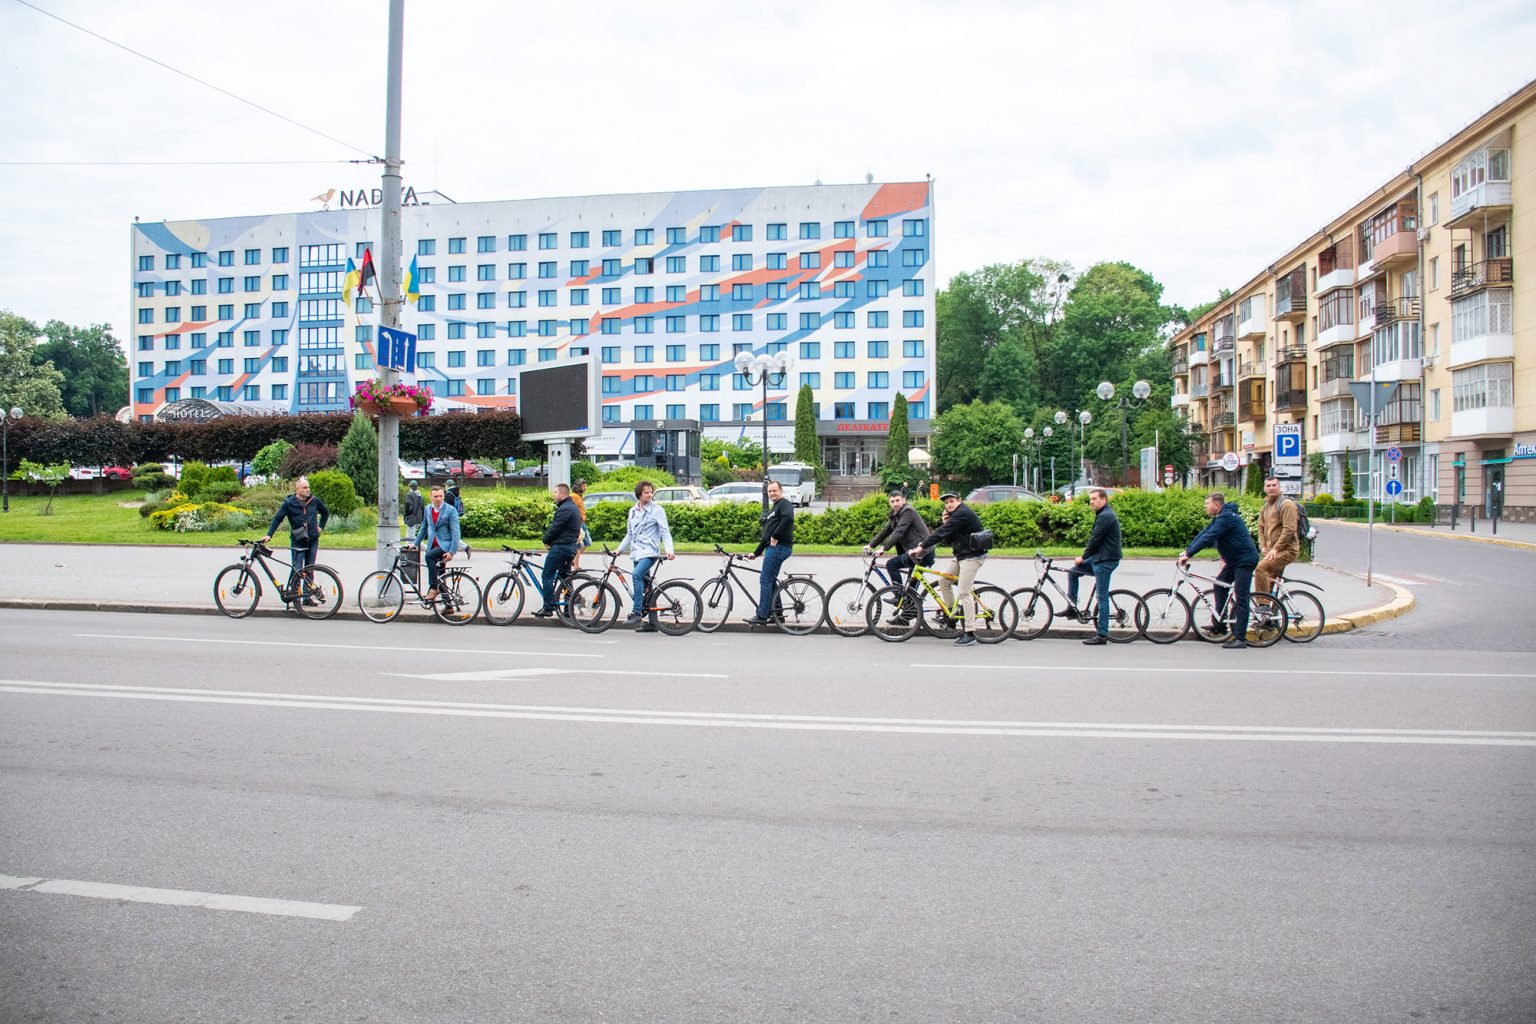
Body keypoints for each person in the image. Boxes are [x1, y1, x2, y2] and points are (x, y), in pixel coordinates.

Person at [1179, 491, 1262, 649]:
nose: (1205, 506)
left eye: (1207, 504)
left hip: (1244, 560)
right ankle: (1219, 625)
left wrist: (1189, 554)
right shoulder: (1220, 517)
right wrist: (1187, 551)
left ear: (1217, 505)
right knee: (1219, 585)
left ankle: (1240, 638)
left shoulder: (1227, 517)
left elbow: (1209, 537)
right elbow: (1204, 533)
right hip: (1234, 560)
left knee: (1241, 596)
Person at [909, 491, 986, 646]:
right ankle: (951, 616)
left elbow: (941, 533)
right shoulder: (955, 516)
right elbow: (949, 536)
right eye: (946, 503)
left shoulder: (962, 513)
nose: (949, 505)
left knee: (964, 593)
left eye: (952, 501)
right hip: (962, 556)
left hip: (972, 557)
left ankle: (970, 632)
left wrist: (922, 546)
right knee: (944, 581)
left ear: (959, 501)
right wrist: (945, 523)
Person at [258, 476, 330, 606]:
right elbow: (278, 518)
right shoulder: (289, 503)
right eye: (304, 487)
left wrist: (321, 526)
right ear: (297, 489)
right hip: (298, 540)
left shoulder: (314, 501)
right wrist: (269, 535)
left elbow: (325, 512)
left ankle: (307, 596)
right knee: (297, 568)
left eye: (308, 487)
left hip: (313, 540)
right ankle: (294, 595)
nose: (307, 490)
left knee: (310, 568)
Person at [614, 480, 675, 632]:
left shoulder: (657, 510)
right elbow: (629, 534)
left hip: (649, 552)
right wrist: (619, 549)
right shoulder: (633, 511)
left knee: (636, 575)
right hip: (636, 552)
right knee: (647, 586)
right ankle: (653, 623)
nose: (649, 494)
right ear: (639, 495)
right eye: (646, 492)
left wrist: (669, 549)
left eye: (650, 492)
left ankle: (637, 613)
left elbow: (665, 532)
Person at [1065, 488, 1123, 645]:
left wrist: (1082, 557)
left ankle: (1102, 635)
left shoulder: (1106, 516)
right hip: (1099, 557)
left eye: (1095, 499)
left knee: (1102, 596)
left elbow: (1095, 540)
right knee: (1073, 572)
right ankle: (1072, 607)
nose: (1091, 502)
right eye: (1090, 499)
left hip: (1106, 560)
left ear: (1104, 500)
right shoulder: (1102, 514)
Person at [743, 480, 795, 626]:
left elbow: (788, 519)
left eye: (774, 491)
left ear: (781, 491)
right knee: (770, 581)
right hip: (773, 548)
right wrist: (756, 552)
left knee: (765, 579)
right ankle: (777, 614)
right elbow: (766, 536)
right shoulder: (774, 508)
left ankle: (762, 615)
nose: (772, 493)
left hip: (780, 547)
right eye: (770, 491)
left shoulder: (784, 504)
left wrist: (775, 536)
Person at [863, 489, 931, 596]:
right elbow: (886, 530)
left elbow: (899, 531)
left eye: (897, 500)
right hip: (913, 552)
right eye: (892, 501)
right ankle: (906, 605)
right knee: (909, 591)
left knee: (892, 565)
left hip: (923, 552)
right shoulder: (896, 514)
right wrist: (871, 545)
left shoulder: (908, 511)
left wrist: (884, 548)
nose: (895, 503)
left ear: (903, 500)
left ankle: (899, 597)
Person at [534, 482, 582, 618]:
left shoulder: (565, 508)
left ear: (562, 493)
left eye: (555, 492)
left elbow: (556, 527)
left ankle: (548, 607)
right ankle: (568, 608)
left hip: (561, 547)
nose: (553, 495)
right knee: (565, 577)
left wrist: (546, 539)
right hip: (569, 547)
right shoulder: (570, 507)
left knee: (547, 576)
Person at [1256, 475, 1300, 597]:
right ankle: (1270, 610)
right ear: (1264, 488)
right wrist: (1263, 546)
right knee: (1268, 582)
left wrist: (1276, 548)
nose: (1271, 488)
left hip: (1287, 550)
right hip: (1271, 551)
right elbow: (1260, 527)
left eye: (1274, 485)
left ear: (1279, 487)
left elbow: (1289, 529)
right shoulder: (1266, 506)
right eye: (1268, 486)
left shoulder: (1286, 504)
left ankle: (1262, 604)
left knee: (1260, 568)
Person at [415, 484, 460, 603]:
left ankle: (434, 588)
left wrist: (451, 552)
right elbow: (423, 528)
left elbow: (456, 532)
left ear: (444, 496)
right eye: (436, 496)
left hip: (445, 545)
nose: (438, 499)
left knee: (429, 557)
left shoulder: (451, 510)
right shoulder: (428, 509)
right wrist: (415, 544)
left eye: (441, 496)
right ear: (431, 497)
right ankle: (448, 605)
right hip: (433, 545)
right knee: (441, 574)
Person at [570, 478, 590, 571]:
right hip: (578, 523)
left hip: (582, 523)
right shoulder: (574, 496)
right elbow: (570, 509)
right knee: (579, 544)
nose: (585, 487)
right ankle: (575, 564)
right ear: (578, 486)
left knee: (586, 543)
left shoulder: (579, 496)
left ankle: (573, 560)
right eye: (583, 486)